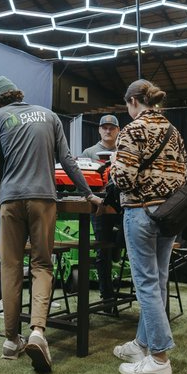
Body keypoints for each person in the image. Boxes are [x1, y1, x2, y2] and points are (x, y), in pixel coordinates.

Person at [0, 76, 101, 374]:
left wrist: (1, 199)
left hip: (10, 198)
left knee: (10, 266)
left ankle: (11, 340)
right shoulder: (49, 116)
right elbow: (66, 159)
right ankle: (38, 331)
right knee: (42, 265)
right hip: (42, 198)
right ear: (18, 94)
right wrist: (88, 193)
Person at [110, 79, 187, 374]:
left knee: (145, 284)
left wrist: (116, 164)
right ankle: (142, 344)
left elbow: (124, 179)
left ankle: (159, 357)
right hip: (169, 215)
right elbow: (181, 175)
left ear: (133, 102)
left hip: (141, 212)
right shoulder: (174, 131)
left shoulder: (133, 130)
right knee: (159, 281)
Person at [82, 114, 121, 304]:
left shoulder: (124, 151)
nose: (108, 130)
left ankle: (117, 247)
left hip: (122, 207)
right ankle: (107, 296)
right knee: (101, 251)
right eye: (104, 127)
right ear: (99, 130)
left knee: (126, 243)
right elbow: (82, 181)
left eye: (111, 128)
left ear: (118, 131)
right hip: (100, 207)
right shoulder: (88, 153)